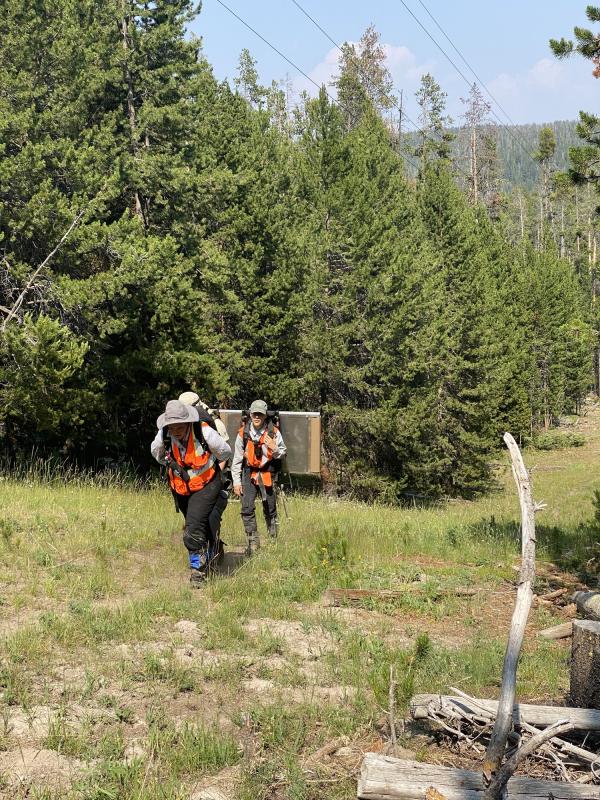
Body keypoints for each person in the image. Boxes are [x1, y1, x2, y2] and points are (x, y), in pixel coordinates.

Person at [151, 399, 232, 586]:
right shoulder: (164, 434)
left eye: (179, 427)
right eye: (172, 427)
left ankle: (197, 572)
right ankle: (212, 552)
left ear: (187, 422)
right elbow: (156, 453)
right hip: (181, 488)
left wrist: (208, 464)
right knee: (197, 524)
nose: (175, 431)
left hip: (207, 484)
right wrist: (171, 464)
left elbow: (225, 452)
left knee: (193, 527)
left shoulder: (204, 431)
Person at [231, 399, 287, 555]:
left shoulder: (274, 432)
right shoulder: (243, 433)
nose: (257, 417)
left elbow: (283, 453)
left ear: (264, 416)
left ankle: (273, 539)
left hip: (267, 472)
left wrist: (274, 448)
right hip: (248, 473)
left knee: (270, 508)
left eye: (260, 414)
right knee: (246, 508)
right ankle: (253, 542)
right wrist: (236, 481)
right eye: (254, 413)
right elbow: (236, 459)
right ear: (250, 413)